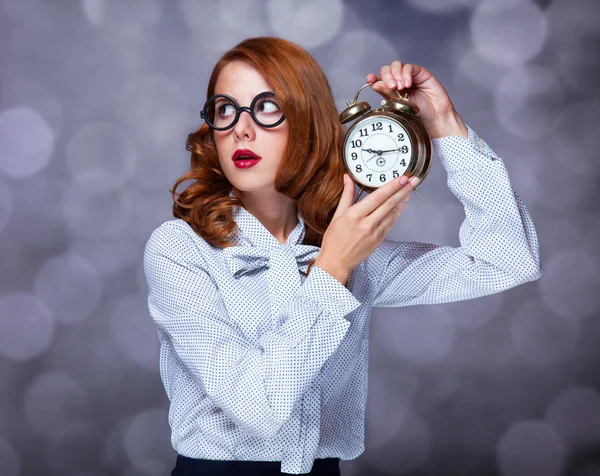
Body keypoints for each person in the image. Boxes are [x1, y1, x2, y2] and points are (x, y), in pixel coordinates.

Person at [143, 36, 541, 476]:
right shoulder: (179, 249)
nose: (241, 128)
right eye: (225, 109)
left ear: (310, 124)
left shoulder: (353, 251)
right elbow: (257, 406)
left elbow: (508, 260)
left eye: (267, 107)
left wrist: (445, 125)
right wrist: (332, 271)